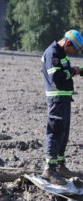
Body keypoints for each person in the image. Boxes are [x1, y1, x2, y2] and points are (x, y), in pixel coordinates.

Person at [40, 30, 83, 185]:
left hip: (64, 98)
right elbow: (56, 77)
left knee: (63, 133)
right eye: (75, 49)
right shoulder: (52, 53)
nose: (75, 52)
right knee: (55, 132)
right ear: (67, 42)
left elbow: (65, 72)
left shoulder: (62, 54)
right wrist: (73, 71)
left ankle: (60, 165)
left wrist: (77, 71)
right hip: (56, 99)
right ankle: (49, 170)